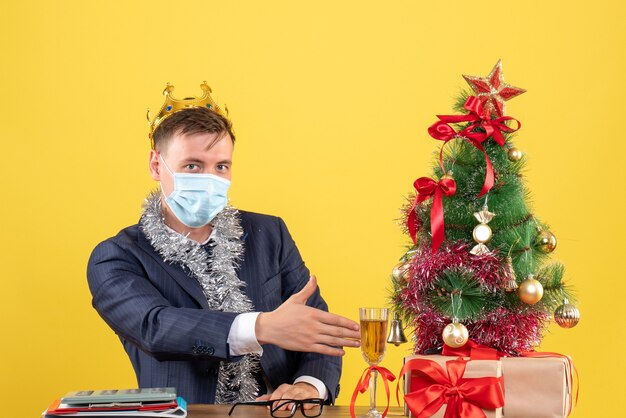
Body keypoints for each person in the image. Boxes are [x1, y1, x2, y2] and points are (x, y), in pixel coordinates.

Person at [87, 82, 361, 406]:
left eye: (221, 166)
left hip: (275, 413)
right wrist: (260, 327)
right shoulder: (117, 256)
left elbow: (315, 328)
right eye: (192, 166)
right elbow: (155, 327)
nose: (210, 178)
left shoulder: (270, 233)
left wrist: (309, 386)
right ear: (156, 165)